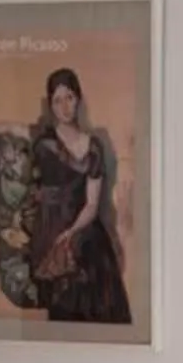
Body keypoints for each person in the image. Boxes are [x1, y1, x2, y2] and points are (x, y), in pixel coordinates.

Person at [25, 68, 131, 325]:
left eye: (69, 97)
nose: (64, 106)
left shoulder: (93, 146)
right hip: (52, 234)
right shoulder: (43, 145)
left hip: (85, 233)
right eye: (57, 100)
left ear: (79, 100)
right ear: (50, 105)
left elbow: (92, 204)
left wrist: (71, 233)